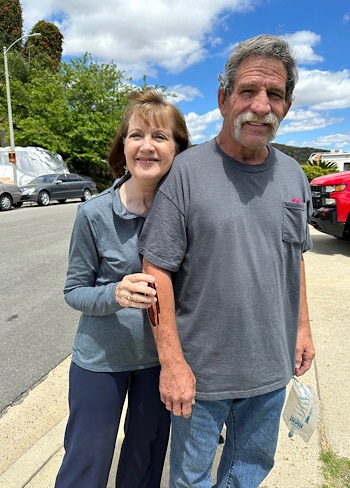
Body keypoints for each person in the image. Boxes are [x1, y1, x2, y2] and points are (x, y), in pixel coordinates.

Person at [139, 34, 315, 487]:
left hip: (271, 370)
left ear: (288, 105)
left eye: (274, 94)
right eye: (249, 91)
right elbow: (155, 269)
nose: (261, 106)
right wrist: (173, 363)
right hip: (202, 377)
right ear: (223, 98)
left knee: (249, 473)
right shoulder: (187, 172)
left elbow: (293, 256)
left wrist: (301, 329)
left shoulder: (294, 174)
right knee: (191, 479)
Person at [55, 89, 190, 488]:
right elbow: (73, 290)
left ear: (177, 149)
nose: (147, 146)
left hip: (158, 363)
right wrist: (113, 294)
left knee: (144, 460)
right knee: (86, 460)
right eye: (136, 135)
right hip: (100, 361)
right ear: (124, 145)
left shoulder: (187, 213)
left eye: (160, 137)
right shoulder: (93, 213)